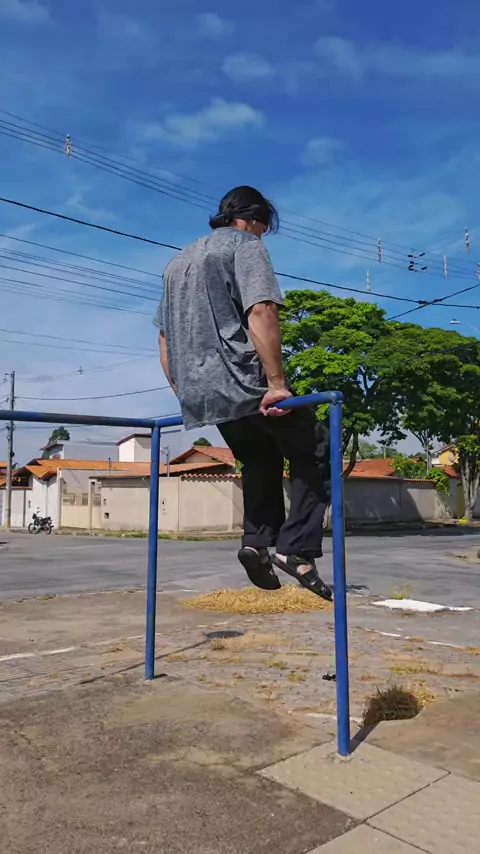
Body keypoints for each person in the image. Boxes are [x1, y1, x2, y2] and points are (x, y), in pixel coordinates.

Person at [154, 186, 332, 600]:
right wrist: (276, 384)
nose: (262, 235)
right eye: (263, 228)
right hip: (244, 380)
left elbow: (164, 339)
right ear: (252, 219)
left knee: (259, 456)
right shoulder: (244, 246)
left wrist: (185, 390)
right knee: (317, 446)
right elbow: (261, 310)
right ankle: (296, 550)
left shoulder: (176, 263)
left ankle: (256, 543)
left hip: (203, 393)